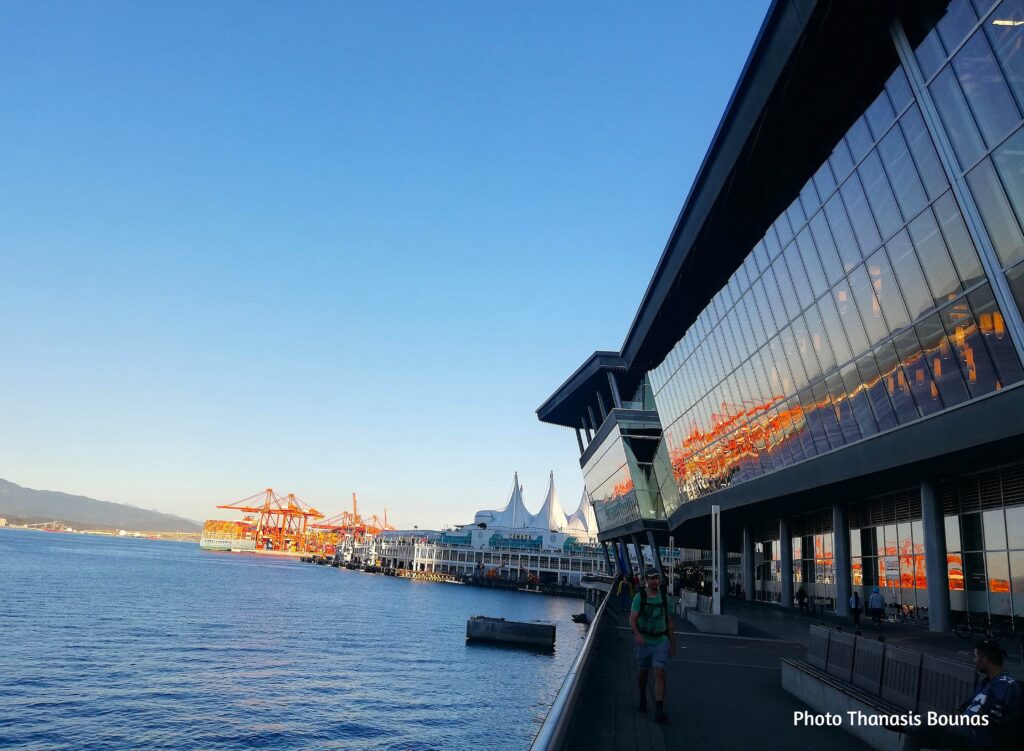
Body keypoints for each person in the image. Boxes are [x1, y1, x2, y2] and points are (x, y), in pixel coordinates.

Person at [630, 566, 677, 724]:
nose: (655, 581)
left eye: (657, 578)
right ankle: (643, 697)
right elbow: (632, 619)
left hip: (660, 640)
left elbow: (669, 622)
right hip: (644, 640)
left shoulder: (664, 598)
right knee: (642, 672)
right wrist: (637, 635)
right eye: (652, 578)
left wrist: (672, 643)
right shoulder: (640, 597)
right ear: (646, 580)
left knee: (659, 671)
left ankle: (659, 708)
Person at [962, 639, 1023, 750]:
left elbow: (991, 717)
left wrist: (959, 721)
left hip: (979, 737)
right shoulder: (986, 683)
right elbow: (964, 706)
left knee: (926, 722)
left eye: (976, 657)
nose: (974, 660)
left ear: (985, 660)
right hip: (965, 730)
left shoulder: (1005, 684)